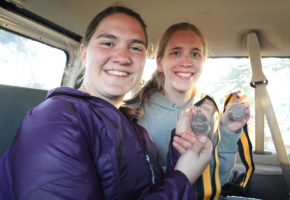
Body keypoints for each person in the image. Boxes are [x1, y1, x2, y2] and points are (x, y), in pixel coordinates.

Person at [0, 6, 213, 200]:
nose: (122, 57)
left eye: (135, 48)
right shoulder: (55, 121)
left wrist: (181, 151)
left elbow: (150, 191)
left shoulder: (137, 133)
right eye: (108, 43)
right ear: (84, 53)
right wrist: (183, 177)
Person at [126, 22, 250, 198]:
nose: (186, 62)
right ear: (160, 62)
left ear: (203, 61)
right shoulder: (132, 113)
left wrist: (228, 131)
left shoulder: (210, 108)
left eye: (195, 54)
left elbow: (217, 182)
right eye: (176, 52)